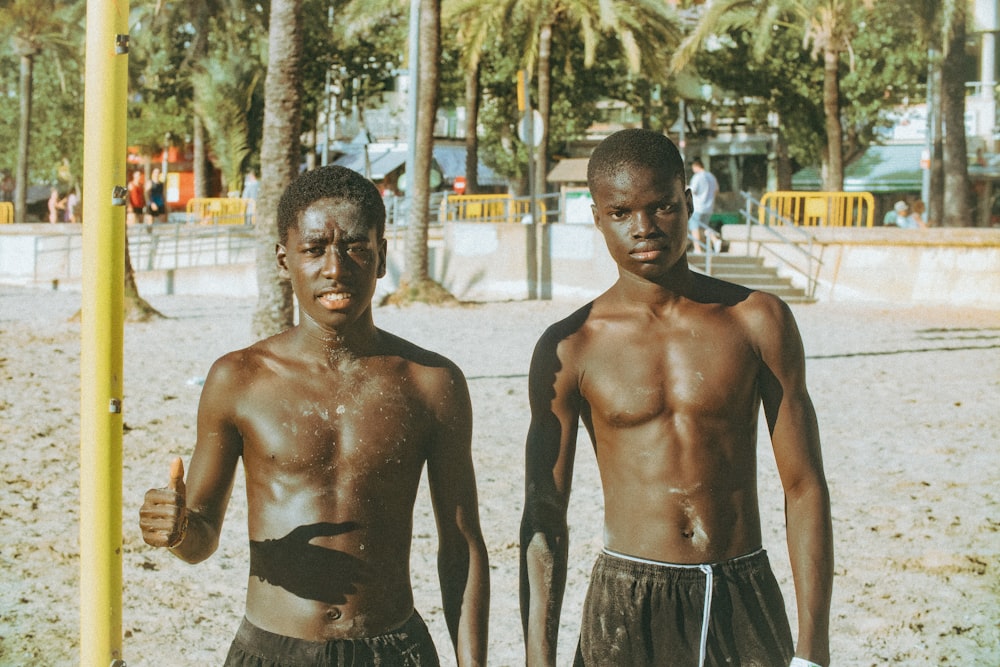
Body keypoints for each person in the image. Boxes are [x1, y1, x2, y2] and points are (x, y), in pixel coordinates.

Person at [139, 165, 490, 666]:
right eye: (314, 249)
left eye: (355, 247)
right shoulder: (239, 379)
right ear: (285, 260)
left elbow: (462, 546)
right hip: (271, 649)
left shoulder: (431, 382)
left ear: (382, 256)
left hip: (393, 648)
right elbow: (201, 540)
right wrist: (175, 529)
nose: (335, 267)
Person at [519, 129, 833, 667]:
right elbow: (545, 514)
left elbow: (804, 486)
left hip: (742, 590)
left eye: (662, 206)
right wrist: (537, 658)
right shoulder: (572, 345)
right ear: (597, 218)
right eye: (621, 213)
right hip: (627, 596)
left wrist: (814, 648)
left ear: (688, 201)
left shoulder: (757, 319)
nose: (643, 228)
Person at [688, 157, 719, 250]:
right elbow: (716, 190)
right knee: (704, 227)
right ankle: (715, 240)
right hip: (709, 207)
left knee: (694, 228)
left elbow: (692, 191)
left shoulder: (697, 177)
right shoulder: (711, 176)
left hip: (697, 207)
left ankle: (698, 249)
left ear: (696, 166)